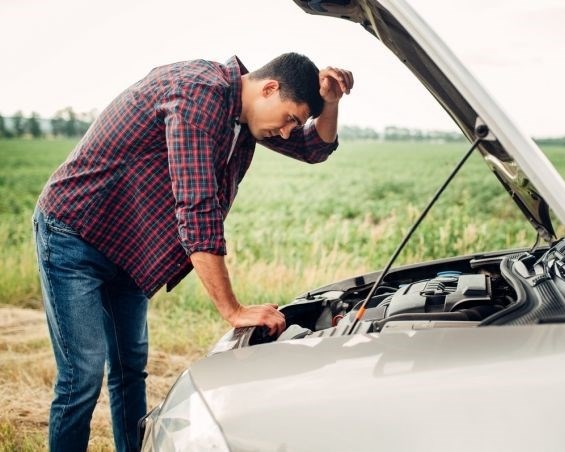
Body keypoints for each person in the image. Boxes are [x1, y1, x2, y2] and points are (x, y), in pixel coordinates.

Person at [32, 52, 353, 452]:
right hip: (74, 232)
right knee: (81, 375)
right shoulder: (200, 93)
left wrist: (331, 103)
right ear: (269, 88)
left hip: (128, 249)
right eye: (290, 118)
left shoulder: (245, 116)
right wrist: (233, 310)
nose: (288, 132)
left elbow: (313, 149)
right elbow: (197, 208)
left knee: (130, 370)